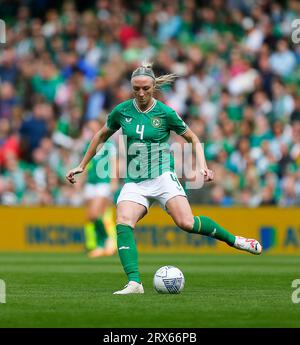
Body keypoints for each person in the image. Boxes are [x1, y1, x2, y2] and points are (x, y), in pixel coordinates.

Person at [66, 62, 262, 295]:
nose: (141, 93)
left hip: (162, 177)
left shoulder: (165, 112)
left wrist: (203, 167)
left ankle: (235, 240)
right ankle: (134, 283)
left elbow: (192, 138)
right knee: (123, 221)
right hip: (135, 181)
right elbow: (100, 135)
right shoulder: (121, 111)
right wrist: (81, 164)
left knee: (186, 223)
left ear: (153, 87)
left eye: (146, 89)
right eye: (136, 88)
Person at [82, 120, 118, 258]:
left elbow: (114, 163)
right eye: (89, 129)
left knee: (95, 214)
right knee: (90, 216)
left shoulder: (108, 144)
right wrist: (80, 179)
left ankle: (105, 243)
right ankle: (101, 244)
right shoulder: (88, 145)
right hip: (91, 183)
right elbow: (87, 164)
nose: (91, 131)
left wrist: (114, 181)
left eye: (93, 128)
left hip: (103, 182)